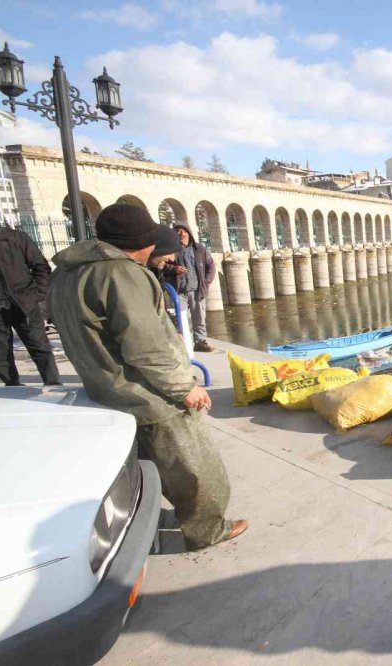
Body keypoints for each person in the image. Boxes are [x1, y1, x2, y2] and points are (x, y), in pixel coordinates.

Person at [47, 203, 247, 551]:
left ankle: (161, 515)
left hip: (107, 390)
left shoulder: (66, 273)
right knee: (196, 469)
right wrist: (185, 388)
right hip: (150, 396)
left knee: (146, 467)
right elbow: (146, 346)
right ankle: (206, 530)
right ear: (140, 241)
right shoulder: (121, 275)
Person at [0, 224, 60, 386]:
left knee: (39, 347)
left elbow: (41, 266)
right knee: (0, 353)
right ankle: (13, 387)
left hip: (24, 303)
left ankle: (53, 384)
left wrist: (38, 294)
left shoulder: (16, 238)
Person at [170, 223, 216, 353]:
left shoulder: (199, 249)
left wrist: (206, 282)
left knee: (199, 317)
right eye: (177, 232)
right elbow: (163, 265)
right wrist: (174, 268)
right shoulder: (172, 250)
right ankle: (184, 343)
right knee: (181, 317)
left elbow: (211, 266)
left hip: (196, 289)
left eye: (182, 231)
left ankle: (200, 342)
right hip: (179, 291)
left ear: (188, 233)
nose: (180, 234)